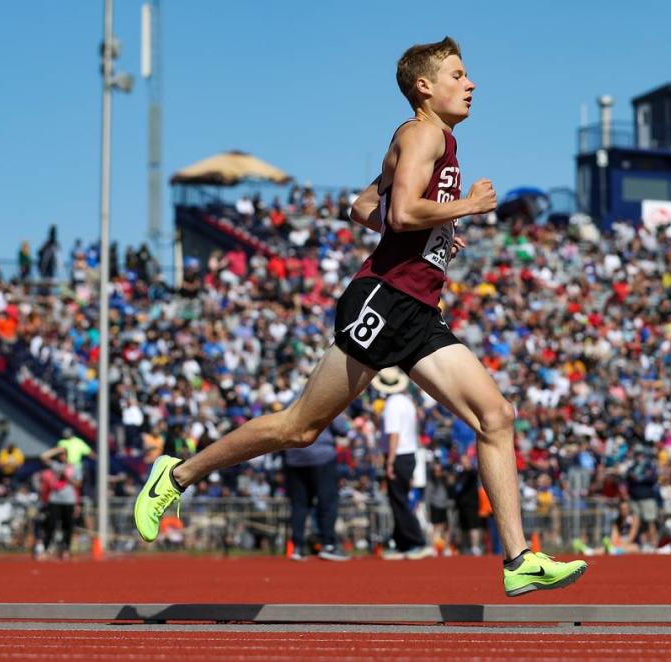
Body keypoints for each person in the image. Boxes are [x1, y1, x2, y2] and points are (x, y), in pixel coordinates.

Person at [134, 36, 586, 595]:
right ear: (425, 87)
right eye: (458, 75)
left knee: (496, 417)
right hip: (385, 299)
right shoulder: (423, 133)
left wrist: (439, 229)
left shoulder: (430, 140)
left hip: (418, 309)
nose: (470, 85)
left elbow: (362, 206)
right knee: (299, 427)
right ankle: (176, 476)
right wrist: (463, 207)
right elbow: (400, 212)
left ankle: (519, 559)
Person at [376, 368, 431, 559]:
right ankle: (402, 542)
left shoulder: (392, 404)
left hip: (399, 455)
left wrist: (389, 462)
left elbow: (394, 435)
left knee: (398, 501)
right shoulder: (407, 401)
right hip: (408, 453)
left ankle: (416, 540)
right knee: (400, 500)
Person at [283, 415, 349, 561]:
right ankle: (328, 545)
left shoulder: (290, 402)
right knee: (327, 502)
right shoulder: (327, 402)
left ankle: (297, 547)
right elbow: (342, 429)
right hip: (322, 457)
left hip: (295, 458)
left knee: (299, 505)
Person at [39, 446, 80, 559]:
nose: (62, 457)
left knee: (68, 526)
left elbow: (78, 484)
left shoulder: (73, 467)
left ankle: (66, 549)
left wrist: (67, 477)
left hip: (69, 500)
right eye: (60, 455)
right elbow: (43, 457)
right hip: (55, 499)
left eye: (63, 454)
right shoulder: (55, 465)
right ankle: (46, 549)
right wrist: (57, 449)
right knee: (51, 525)